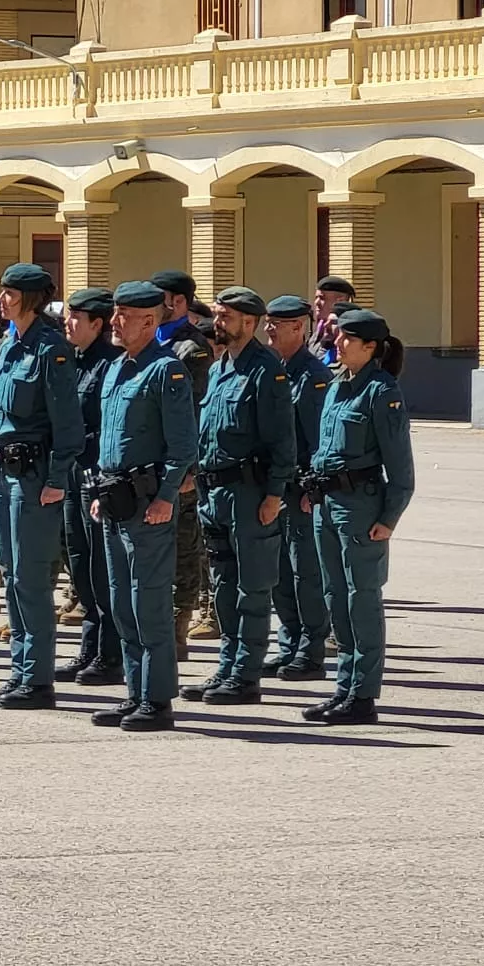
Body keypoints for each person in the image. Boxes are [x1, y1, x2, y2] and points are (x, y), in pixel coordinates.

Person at [88, 281, 199, 731]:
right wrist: (98, 493)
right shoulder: (116, 369)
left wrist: (166, 497)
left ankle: (157, 699)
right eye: (115, 314)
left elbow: (183, 445)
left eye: (123, 316)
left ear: (149, 322)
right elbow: (108, 440)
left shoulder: (165, 371)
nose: (114, 323)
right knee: (120, 603)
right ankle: (136, 691)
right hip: (114, 499)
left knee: (148, 602)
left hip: (147, 502)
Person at [181, 286, 295, 705]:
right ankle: (227, 667)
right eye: (217, 315)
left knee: (252, 588)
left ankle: (246, 675)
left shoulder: (267, 372)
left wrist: (274, 495)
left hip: (250, 494)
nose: (218, 323)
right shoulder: (219, 369)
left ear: (250, 322)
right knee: (224, 586)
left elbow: (283, 442)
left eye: (225, 317)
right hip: (215, 493)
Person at [0, 263, 83, 710]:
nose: (2, 300)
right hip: (3, 473)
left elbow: (68, 426)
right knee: (11, 575)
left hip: (36, 476)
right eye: (2, 292)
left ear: (31, 299)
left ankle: (37, 679)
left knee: (32, 578)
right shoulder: (7, 345)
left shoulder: (50, 350)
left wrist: (57, 481)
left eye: (10, 293)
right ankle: (19, 671)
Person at [303, 309, 414, 725]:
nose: (338, 343)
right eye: (339, 336)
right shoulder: (337, 386)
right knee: (335, 596)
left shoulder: (382, 392)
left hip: (362, 508)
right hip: (327, 505)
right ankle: (344, 688)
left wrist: (389, 518)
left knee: (361, 600)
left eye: (348, 339)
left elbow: (401, 468)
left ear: (370, 347)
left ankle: (363, 695)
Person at [263, 294, 332, 680]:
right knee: (280, 573)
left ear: (300, 328)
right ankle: (289, 644)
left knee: (306, 571)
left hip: (300, 490)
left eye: (279, 323)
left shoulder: (314, 377)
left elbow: (319, 439)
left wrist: (312, 488)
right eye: (268, 321)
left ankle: (311, 649)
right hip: (275, 488)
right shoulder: (275, 371)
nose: (269, 328)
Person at [60, 287, 124, 686]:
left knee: (102, 567)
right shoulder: (75, 362)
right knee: (79, 563)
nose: (68, 323)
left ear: (96, 324)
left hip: (95, 475)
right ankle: (90, 645)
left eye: (75, 318)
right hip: (70, 473)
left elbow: (107, 426)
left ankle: (110, 652)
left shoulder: (109, 366)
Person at [151, 269, 214, 649]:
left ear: (175, 302)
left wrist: (189, 468)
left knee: (183, 544)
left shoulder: (191, 349)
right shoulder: (151, 343)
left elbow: (194, 413)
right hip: (149, 463)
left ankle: (178, 621)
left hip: (179, 466)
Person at [310, 276, 356, 367]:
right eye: (316, 297)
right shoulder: (320, 329)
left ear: (341, 301)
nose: (316, 302)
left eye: (322, 298)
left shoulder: (350, 331)